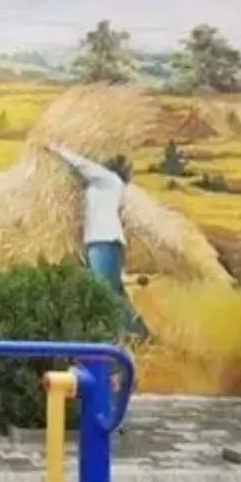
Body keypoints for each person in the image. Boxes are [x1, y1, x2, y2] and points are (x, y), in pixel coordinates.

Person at [46, 142, 148, 339]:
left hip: (103, 240)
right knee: (114, 290)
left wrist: (55, 148)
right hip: (103, 241)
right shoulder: (108, 185)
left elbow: (81, 164)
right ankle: (139, 333)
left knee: (105, 291)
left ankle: (120, 335)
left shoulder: (107, 179)